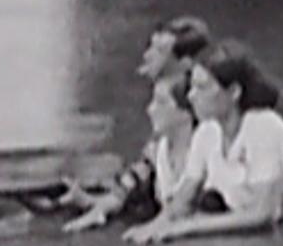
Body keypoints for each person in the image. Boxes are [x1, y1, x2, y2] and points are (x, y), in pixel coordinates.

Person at [124, 41, 283, 246]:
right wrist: (152, 229)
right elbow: (183, 200)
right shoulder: (206, 133)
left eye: (203, 87)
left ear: (234, 92)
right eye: (193, 86)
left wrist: (189, 228)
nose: (191, 96)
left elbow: (262, 213)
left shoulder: (264, 126)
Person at [61, 15, 212, 225]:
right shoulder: (161, 138)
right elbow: (139, 173)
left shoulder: (207, 134)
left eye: (159, 51)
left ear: (185, 64)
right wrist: (100, 202)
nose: (147, 55)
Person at [66, 77, 210, 232]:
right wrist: (97, 206)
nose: (150, 109)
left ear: (185, 113)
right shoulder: (156, 149)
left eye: (161, 102)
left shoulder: (204, 149)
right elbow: (128, 184)